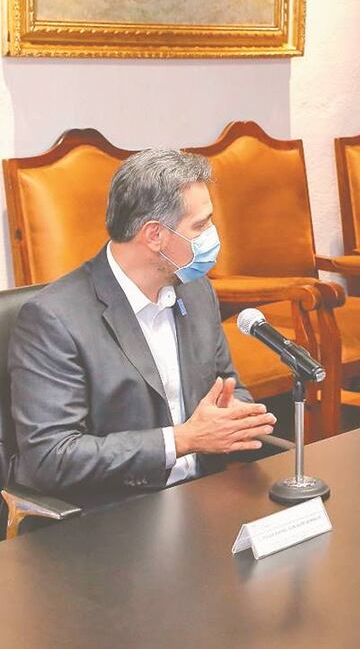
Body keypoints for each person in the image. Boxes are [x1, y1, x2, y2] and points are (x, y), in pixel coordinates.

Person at [9, 149, 277, 508]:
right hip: (113, 515)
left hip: (204, 496)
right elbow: (52, 457)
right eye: (200, 225)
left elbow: (228, 387)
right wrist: (182, 440)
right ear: (155, 236)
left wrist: (235, 416)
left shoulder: (197, 291)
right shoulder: (54, 319)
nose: (212, 236)